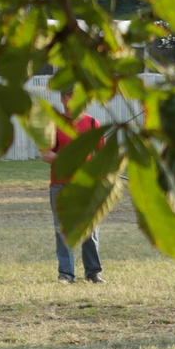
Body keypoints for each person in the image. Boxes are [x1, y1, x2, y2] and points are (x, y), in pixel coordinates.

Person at [40, 92, 105, 284]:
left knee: (90, 228)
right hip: (60, 184)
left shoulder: (93, 124)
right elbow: (45, 155)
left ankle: (93, 272)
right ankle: (66, 274)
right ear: (62, 99)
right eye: (69, 96)